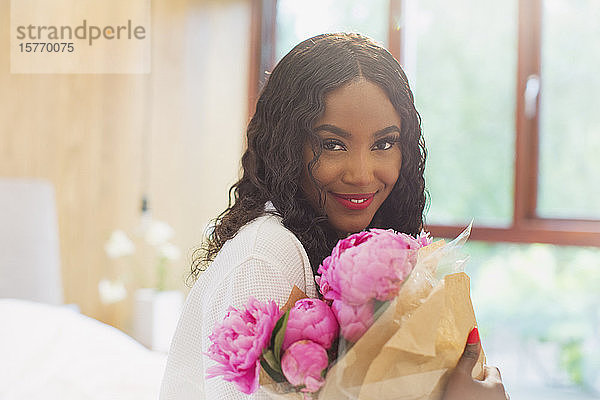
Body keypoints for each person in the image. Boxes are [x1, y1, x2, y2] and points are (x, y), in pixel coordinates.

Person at [160, 32, 508, 400]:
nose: (361, 173)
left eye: (384, 144)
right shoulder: (265, 255)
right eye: (332, 144)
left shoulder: (336, 243)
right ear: (286, 146)